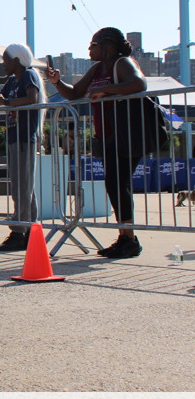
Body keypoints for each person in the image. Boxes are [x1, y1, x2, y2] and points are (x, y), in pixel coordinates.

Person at [46, 27, 147, 258]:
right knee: (115, 184)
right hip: (108, 135)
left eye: (93, 45)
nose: (89, 49)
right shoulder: (97, 68)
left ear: (107, 47)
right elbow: (75, 93)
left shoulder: (122, 63)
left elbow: (139, 84)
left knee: (118, 183)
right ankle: (126, 237)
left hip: (126, 134)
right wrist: (57, 82)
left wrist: (104, 90)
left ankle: (129, 239)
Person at [0, 43, 45, 252]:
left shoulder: (29, 75)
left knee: (21, 187)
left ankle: (18, 231)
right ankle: (30, 230)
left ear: (16, 61)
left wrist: (6, 102)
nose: (3, 64)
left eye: (5, 60)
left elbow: (31, 98)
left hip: (24, 137)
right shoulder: (12, 81)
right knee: (23, 186)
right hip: (14, 136)